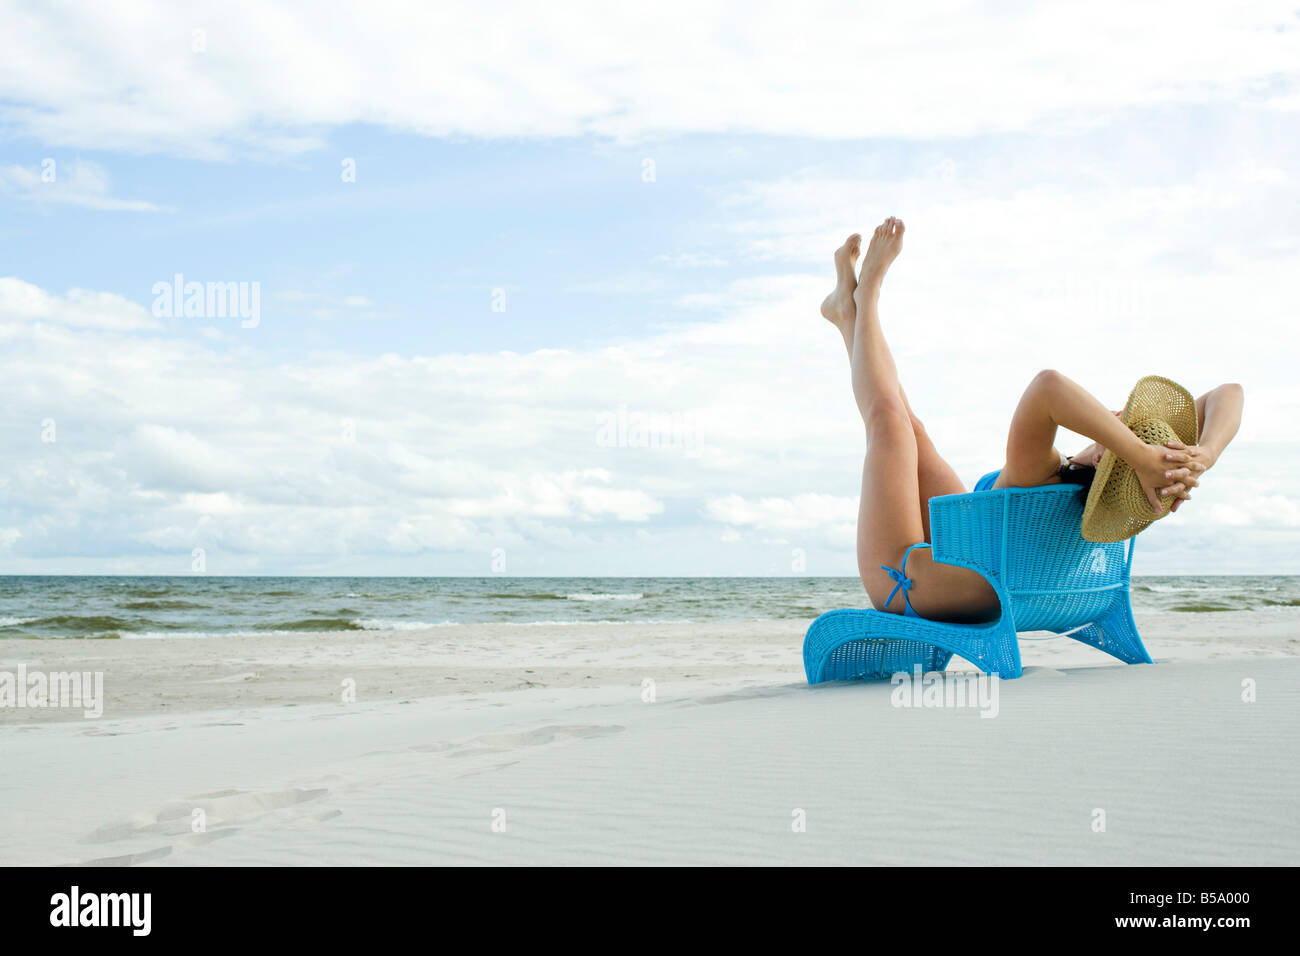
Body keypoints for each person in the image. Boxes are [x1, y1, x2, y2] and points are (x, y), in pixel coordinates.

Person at [820, 217, 1245, 624]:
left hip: (902, 582)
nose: (1113, 419)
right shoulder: (1109, 503)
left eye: (1120, 426)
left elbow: (1048, 387)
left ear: (1105, 460)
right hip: (966, 566)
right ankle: (847, 316)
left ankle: (867, 295)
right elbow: (1230, 392)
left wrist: (1136, 453)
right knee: (910, 428)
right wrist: (1202, 455)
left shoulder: (1039, 476)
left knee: (889, 421)